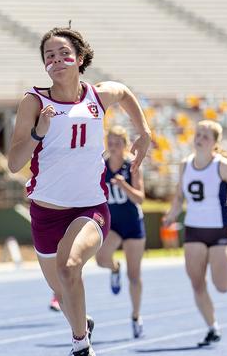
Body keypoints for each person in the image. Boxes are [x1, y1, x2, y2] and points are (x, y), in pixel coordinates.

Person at [7, 26, 151, 356]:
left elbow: (125, 92)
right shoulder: (34, 101)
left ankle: (81, 346)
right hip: (45, 213)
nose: (56, 60)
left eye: (63, 54)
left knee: (69, 267)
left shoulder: (97, 97)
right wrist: (37, 132)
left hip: (90, 208)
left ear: (79, 58)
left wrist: (143, 131)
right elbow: (15, 162)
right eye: (49, 56)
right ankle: (81, 324)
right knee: (64, 289)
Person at [163, 120, 227, 347]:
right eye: (198, 134)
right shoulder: (185, 165)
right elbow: (179, 197)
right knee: (197, 283)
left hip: (220, 229)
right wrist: (172, 214)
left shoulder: (222, 165)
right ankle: (212, 327)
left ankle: (222, 260)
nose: (200, 139)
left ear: (215, 143)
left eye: (206, 136)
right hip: (194, 230)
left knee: (222, 285)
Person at [95, 125, 146, 338]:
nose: (114, 147)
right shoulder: (100, 166)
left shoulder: (132, 166)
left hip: (133, 223)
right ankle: (114, 268)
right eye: (111, 143)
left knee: (134, 275)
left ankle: (136, 316)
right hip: (113, 223)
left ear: (125, 145)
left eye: (118, 143)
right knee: (100, 259)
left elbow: (140, 198)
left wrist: (124, 186)